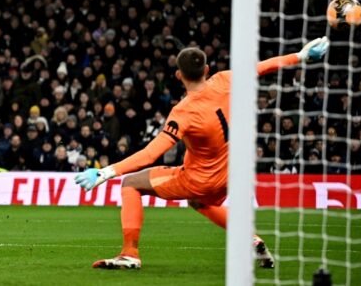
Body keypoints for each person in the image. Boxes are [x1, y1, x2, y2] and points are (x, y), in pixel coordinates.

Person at [75, 37, 330, 269]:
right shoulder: (225, 79)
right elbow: (264, 66)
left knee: (131, 184)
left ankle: (129, 253)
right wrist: (302, 56)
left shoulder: (183, 112)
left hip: (199, 178)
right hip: (229, 176)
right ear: (206, 70)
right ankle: (250, 240)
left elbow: (151, 153)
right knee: (199, 203)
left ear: (178, 75)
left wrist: (105, 172)